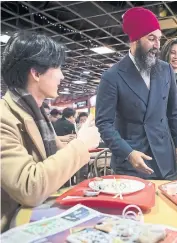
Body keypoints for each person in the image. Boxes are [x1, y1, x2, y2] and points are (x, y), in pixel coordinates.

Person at [0, 31, 100, 232]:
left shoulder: (36, 114)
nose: (62, 75)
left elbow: (54, 156)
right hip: (13, 227)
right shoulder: (5, 117)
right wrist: (80, 145)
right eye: (58, 67)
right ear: (36, 73)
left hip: (35, 217)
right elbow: (29, 187)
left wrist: (82, 142)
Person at [95, 7, 177, 180]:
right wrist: (128, 153)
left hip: (165, 157)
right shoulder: (112, 76)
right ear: (135, 40)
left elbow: (174, 111)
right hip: (132, 161)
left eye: (159, 39)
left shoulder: (165, 69)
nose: (157, 45)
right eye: (151, 39)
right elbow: (104, 124)